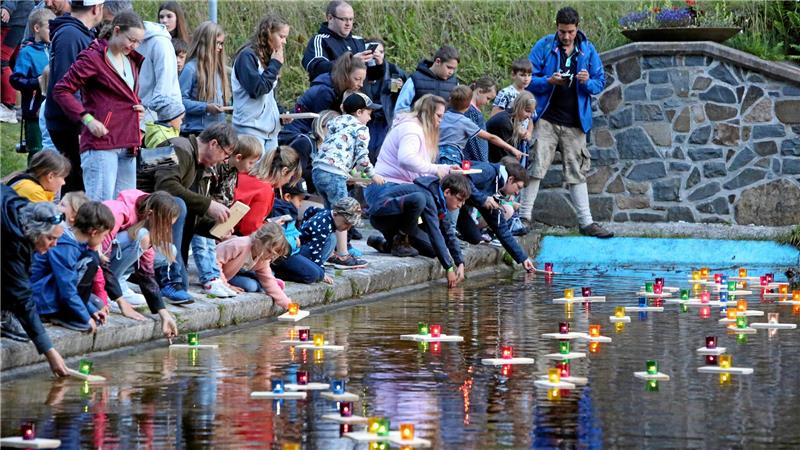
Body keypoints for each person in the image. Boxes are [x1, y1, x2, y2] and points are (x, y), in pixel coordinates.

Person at [524, 6, 612, 239]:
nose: (566, 36)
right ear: (557, 27)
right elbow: (528, 79)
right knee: (536, 166)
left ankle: (586, 222)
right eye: (562, 31)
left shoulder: (588, 50)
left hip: (575, 121)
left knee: (577, 171)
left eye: (570, 32)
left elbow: (599, 83)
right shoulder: (544, 46)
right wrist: (548, 81)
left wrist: (586, 82)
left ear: (577, 28)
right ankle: (523, 217)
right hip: (546, 118)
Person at [136, 122, 238, 303]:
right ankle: (168, 278)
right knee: (179, 204)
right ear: (213, 144)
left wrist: (216, 228)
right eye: (226, 154)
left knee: (183, 285)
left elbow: (194, 213)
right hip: (139, 207)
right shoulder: (176, 146)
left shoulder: (199, 165)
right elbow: (166, 187)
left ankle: (173, 278)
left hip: (159, 214)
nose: (224, 161)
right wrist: (209, 205)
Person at [51, 10, 146, 201]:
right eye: (131, 40)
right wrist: (87, 119)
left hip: (128, 143)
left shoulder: (131, 59)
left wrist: (138, 107)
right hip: (101, 144)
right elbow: (61, 90)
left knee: (126, 209)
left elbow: (124, 95)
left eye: (139, 42)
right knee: (100, 209)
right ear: (117, 31)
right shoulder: (93, 57)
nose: (134, 46)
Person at [364, 94, 453, 257]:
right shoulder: (412, 129)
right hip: (386, 189)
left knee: (435, 248)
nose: (441, 121)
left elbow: (420, 168)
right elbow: (406, 159)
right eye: (439, 116)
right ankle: (398, 240)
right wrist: (435, 169)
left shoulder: (419, 130)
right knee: (432, 246)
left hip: (400, 190)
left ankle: (386, 243)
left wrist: (445, 168)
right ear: (427, 113)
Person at [1, 186, 68, 376]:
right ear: (35, 232)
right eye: (50, 239)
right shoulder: (11, 240)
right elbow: (22, 296)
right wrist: (50, 352)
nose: (53, 245)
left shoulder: (23, 212)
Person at [312, 91, 382, 268]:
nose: (370, 117)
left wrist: (352, 177)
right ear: (359, 112)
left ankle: (328, 252)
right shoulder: (361, 129)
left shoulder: (336, 122)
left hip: (319, 170)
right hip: (334, 173)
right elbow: (362, 156)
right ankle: (343, 255)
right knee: (344, 213)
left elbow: (337, 151)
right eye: (368, 113)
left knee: (330, 213)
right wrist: (372, 175)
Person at [45, 0, 105, 194]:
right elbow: (65, 87)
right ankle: (71, 222)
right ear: (97, 8)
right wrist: (82, 123)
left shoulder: (80, 34)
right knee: (76, 184)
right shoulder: (71, 36)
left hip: (75, 120)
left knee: (76, 181)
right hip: (70, 122)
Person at [369, 174, 469, 288]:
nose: (461, 205)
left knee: (432, 250)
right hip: (382, 216)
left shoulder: (439, 201)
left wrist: (460, 262)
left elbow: (448, 233)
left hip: (399, 221)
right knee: (419, 199)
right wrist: (449, 268)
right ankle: (399, 242)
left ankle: (384, 244)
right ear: (447, 192)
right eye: (459, 199)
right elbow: (434, 232)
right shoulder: (428, 196)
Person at [101, 190, 179, 337]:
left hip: (113, 260)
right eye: (165, 224)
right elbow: (99, 260)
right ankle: (112, 289)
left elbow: (146, 272)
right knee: (142, 235)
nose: (166, 229)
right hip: (91, 262)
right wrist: (119, 300)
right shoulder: (116, 211)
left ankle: (120, 284)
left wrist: (163, 313)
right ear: (150, 214)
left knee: (169, 251)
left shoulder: (147, 224)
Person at [193, 133, 262, 298]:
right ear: (238, 157)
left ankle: (215, 277)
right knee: (203, 244)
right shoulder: (218, 167)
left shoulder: (233, 171)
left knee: (210, 245)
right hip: (204, 213)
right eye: (251, 162)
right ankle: (209, 278)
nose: (252, 167)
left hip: (218, 214)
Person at [30, 201, 112, 332]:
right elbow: (67, 286)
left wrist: (89, 309)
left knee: (97, 304)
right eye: (104, 236)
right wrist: (85, 316)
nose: (104, 240)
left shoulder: (77, 243)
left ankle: (69, 311)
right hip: (39, 297)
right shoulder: (66, 248)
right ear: (94, 232)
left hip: (51, 290)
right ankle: (57, 314)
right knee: (91, 261)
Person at [279, 52, 366, 153]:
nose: (361, 84)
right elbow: (321, 126)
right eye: (357, 79)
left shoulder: (336, 89)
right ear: (345, 76)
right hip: (297, 135)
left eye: (363, 80)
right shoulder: (324, 92)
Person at [459, 157, 536, 271]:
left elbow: (502, 230)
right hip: (447, 198)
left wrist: (523, 258)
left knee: (475, 238)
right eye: (518, 187)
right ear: (510, 179)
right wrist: (483, 199)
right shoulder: (489, 171)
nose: (517, 192)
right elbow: (462, 179)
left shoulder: (497, 193)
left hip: (460, 207)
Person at [231, 14, 289, 153]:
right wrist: (275, 65)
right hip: (250, 130)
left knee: (269, 174)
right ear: (268, 35)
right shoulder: (247, 56)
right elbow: (257, 89)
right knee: (253, 174)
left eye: (286, 37)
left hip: (270, 132)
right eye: (281, 37)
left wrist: (280, 114)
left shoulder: (269, 57)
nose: (284, 42)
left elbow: (268, 98)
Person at [10, 8, 55, 161]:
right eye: (50, 28)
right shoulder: (27, 52)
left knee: (53, 153)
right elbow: (15, 80)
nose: (53, 32)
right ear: (37, 28)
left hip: (53, 109)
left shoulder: (55, 49)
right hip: (34, 111)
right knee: (37, 153)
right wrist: (37, 81)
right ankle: (32, 182)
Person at [438, 85, 522, 166]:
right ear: (468, 106)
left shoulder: (442, 116)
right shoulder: (464, 122)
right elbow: (491, 137)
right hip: (452, 158)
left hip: (436, 155)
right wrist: (511, 148)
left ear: (450, 100)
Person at [215, 222, 292, 307]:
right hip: (213, 276)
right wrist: (226, 286)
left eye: (274, 255)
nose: (271, 257)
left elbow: (267, 279)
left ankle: (269, 286)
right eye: (269, 251)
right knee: (251, 286)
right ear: (259, 242)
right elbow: (215, 262)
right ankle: (265, 285)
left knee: (264, 280)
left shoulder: (263, 257)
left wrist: (288, 304)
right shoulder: (240, 244)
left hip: (231, 274)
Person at [270, 182, 332, 284]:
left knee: (320, 273)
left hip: (294, 251)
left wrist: (297, 237)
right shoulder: (279, 211)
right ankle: (278, 274)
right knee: (312, 276)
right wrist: (295, 241)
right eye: (300, 200)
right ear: (287, 197)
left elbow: (294, 231)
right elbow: (278, 241)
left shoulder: (290, 211)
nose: (301, 204)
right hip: (282, 255)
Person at [235, 144, 301, 236]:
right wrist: (270, 227)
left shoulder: (247, 172)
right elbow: (250, 230)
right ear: (284, 171)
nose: (288, 181)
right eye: (290, 176)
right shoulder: (265, 190)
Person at [180, 21, 230, 137]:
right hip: (196, 132)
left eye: (221, 43)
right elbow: (180, 102)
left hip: (218, 132)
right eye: (217, 43)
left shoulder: (218, 70)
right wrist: (206, 107)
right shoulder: (190, 69)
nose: (220, 48)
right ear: (205, 43)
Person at [301, 0, 370, 82]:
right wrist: (350, 62)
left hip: (361, 93)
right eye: (343, 19)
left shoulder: (359, 40)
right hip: (332, 93)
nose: (348, 23)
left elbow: (371, 77)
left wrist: (379, 64)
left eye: (351, 19)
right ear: (330, 18)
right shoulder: (320, 40)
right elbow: (316, 68)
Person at [362, 37, 407, 162]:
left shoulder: (393, 70)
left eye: (381, 52)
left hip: (386, 118)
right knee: (364, 151)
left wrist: (400, 87)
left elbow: (403, 95)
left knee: (382, 152)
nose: (377, 54)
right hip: (365, 117)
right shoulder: (359, 70)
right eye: (373, 51)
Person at [137, 14, 183, 136]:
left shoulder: (160, 44)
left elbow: (164, 92)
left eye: (169, 16)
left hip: (158, 124)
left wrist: (143, 127)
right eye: (161, 16)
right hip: (138, 120)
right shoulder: (132, 42)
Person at [298, 196, 362, 270]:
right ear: (335, 214)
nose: (347, 228)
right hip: (301, 251)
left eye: (351, 225)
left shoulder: (325, 212)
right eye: (346, 223)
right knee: (332, 239)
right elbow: (315, 250)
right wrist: (320, 269)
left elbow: (310, 210)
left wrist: (303, 226)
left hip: (304, 246)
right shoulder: (323, 227)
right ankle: (313, 267)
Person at [394, 45, 459, 114]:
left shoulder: (455, 84)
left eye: (454, 69)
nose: (451, 72)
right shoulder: (415, 79)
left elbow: (458, 111)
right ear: (438, 61)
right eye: (449, 67)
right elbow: (400, 109)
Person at [0, 0, 34, 123]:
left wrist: (7, 8)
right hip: (19, 21)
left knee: (2, 62)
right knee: (11, 63)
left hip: (13, 22)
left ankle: (9, 107)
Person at [486, 91, 535, 164]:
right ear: (519, 107)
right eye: (527, 111)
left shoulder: (512, 119)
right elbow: (505, 155)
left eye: (531, 112)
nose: (529, 116)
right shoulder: (504, 121)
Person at [462, 76, 497, 162]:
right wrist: (483, 162)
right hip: (473, 159)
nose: (487, 102)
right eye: (488, 98)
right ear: (479, 91)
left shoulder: (474, 109)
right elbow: (474, 140)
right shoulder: (470, 111)